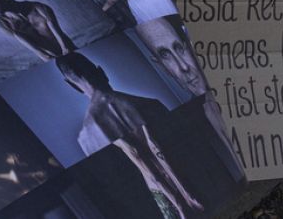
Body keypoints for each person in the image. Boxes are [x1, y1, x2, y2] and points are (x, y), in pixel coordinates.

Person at [56, 52, 203, 219]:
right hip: (196, 180)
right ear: (101, 72)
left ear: (72, 85)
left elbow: (120, 193)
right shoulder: (151, 105)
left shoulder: (86, 138)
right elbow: (190, 148)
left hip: (158, 203)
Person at [134, 18, 239, 164]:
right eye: (166, 55)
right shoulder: (188, 131)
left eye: (179, 48)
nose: (184, 67)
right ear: (161, 67)